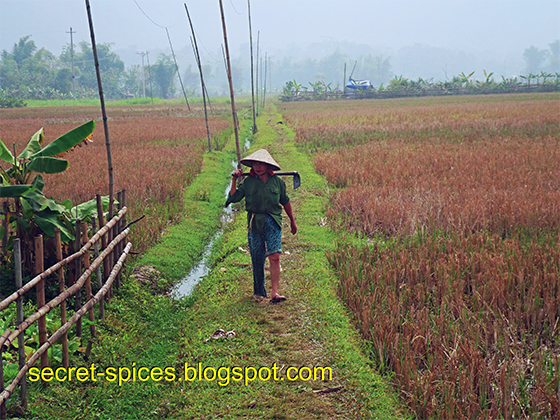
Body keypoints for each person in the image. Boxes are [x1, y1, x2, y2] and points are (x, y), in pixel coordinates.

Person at [225, 149, 297, 303]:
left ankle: (275, 293)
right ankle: (259, 292)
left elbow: (285, 201)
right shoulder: (248, 182)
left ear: (267, 165)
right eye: (255, 164)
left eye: (261, 164)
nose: (257, 167)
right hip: (254, 222)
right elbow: (233, 197)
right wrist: (233, 180)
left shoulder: (278, 183)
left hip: (273, 220)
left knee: (275, 256)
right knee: (257, 257)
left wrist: (292, 221)